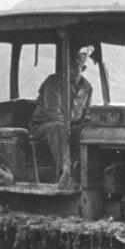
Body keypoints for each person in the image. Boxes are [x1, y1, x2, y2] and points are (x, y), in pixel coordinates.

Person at [30, 49, 93, 189]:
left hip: (70, 126)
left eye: (75, 67)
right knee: (58, 127)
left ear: (83, 68)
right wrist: (70, 128)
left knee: (89, 131)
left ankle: (85, 173)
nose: (70, 71)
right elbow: (53, 112)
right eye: (68, 67)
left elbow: (87, 113)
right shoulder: (54, 82)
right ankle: (66, 172)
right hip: (43, 126)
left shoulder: (88, 88)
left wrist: (86, 124)